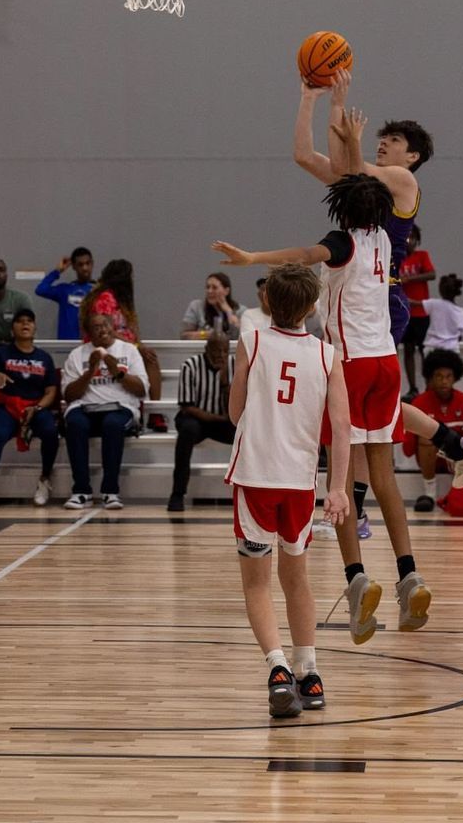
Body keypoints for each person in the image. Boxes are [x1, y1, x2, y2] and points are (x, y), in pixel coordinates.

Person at [214, 172, 433, 642]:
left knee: (346, 478)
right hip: (386, 362)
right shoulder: (389, 237)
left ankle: (356, 576)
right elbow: (362, 184)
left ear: (342, 209)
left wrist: (252, 257)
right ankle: (409, 572)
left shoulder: (342, 243)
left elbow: (302, 255)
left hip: (350, 360)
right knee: (384, 475)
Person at [226, 264, 352, 719]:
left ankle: (277, 668)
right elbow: (341, 427)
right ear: (314, 306)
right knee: (296, 578)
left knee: (256, 582)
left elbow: (235, 409)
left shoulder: (251, 341)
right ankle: (309, 671)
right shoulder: (326, 354)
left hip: (256, 475)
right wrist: (337, 488)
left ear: (267, 302)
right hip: (300, 481)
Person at [292, 67, 433, 356]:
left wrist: (337, 105)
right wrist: (308, 99)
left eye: (394, 140)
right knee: (345, 391)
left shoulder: (405, 179)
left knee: (364, 393)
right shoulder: (363, 184)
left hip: (381, 296)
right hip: (348, 291)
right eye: (383, 137)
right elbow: (304, 156)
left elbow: (345, 169)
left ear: (412, 156)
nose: (383, 142)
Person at [0, 307, 61, 510]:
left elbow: (51, 393)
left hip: (35, 406)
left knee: (50, 431)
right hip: (7, 405)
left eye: (29, 321)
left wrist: (36, 408)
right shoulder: (1, 352)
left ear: (35, 327)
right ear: (13, 329)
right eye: (20, 321)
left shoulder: (44, 358)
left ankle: (44, 480)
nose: (25, 324)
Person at [61, 313, 148, 509]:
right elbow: (69, 395)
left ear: (113, 326)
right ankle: (81, 491)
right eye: (96, 326)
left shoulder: (129, 351)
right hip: (84, 407)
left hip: (120, 407)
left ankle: (110, 492)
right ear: (88, 333)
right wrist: (90, 370)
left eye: (106, 325)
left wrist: (116, 370)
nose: (102, 329)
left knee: (113, 424)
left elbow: (142, 389)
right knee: (74, 423)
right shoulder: (77, 355)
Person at [404, 349, 463, 511]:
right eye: (439, 376)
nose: (444, 381)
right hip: (430, 459)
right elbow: (407, 449)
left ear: (455, 378)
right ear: (430, 378)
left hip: (457, 458)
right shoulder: (419, 402)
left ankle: (461, 491)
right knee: (427, 437)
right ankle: (430, 493)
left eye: (448, 376)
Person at [170, 330, 237, 512]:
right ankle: (177, 493)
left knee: (247, 434)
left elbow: (234, 408)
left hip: (223, 419)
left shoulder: (235, 366)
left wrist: (224, 384)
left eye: (225, 350)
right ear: (207, 348)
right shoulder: (190, 365)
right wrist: (218, 419)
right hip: (196, 419)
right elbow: (187, 406)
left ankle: (248, 492)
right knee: (187, 430)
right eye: (216, 350)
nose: (221, 355)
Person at [81, 259, 163, 404]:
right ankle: (154, 412)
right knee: (149, 361)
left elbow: (131, 329)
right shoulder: (104, 298)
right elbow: (106, 331)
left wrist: (140, 345)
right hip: (107, 346)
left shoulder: (122, 301)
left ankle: (155, 411)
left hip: (126, 346)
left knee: (151, 358)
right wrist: (137, 347)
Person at [396, 225, 437, 394]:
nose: (409, 240)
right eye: (407, 236)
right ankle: (413, 387)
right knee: (408, 349)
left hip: (422, 311)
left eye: (412, 237)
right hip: (404, 312)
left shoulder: (422, 256)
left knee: (424, 349)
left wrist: (409, 279)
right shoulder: (396, 258)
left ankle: (429, 384)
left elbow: (431, 274)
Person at [34, 247, 94, 340]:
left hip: (91, 343)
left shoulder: (98, 290)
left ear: (92, 264)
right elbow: (40, 290)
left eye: (87, 263)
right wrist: (57, 271)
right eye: (80, 264)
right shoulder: (65, 290)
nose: (85, 268)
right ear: (74, 266)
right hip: (66, 344)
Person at [181, 272, 244, 339]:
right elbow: (184, 335)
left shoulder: (241, 311)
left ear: (226, 291)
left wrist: (228, 311)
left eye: (214, 288)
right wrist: (205, 334)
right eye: (207, 287)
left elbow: (243, 336)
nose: (209, 291)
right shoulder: (196, 307)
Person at [420, 274, 463, 353]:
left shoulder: (434, 304)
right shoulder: (459, 311)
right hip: (452, 349)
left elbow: (415, 304)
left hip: (432, 348)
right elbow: (461, 334)